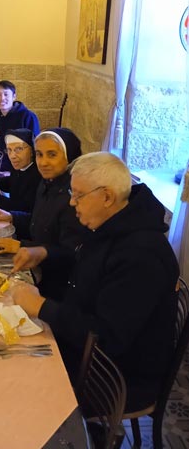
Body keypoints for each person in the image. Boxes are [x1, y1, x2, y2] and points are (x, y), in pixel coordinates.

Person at [11, 152, 180, 412]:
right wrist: (44, 252)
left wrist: (41, 306)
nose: (71, 202)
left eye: (78, 195)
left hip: (115, 377)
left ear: (107, 197)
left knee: (14, 386)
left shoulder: (142, 256)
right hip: (85, 345)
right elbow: (85, 263)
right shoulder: (113, 223)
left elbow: (107, 337)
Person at [0, 127, 85, 300]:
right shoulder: (47, 182)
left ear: (70, 157)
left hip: (57, 287)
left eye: (52, 155)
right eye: (39, 154)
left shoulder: (75, 196)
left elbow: (71, 254)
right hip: (36, 266)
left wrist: (22, 245)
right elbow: (40, 222)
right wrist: (13, 217)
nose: (43, 162)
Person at [0, 129, 41, 212]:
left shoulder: (39, 174)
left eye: (18, 149)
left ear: (32, 151)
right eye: (9, 150)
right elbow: (13, 182)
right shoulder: (20, 165)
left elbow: (25, 210)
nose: (12, 156)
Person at [0, 80, 39, 170]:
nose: (2, 98)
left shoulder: (27, 116)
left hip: (21, 169)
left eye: (6, 94)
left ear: (14, 96)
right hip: (1, 167)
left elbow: (35, 146)